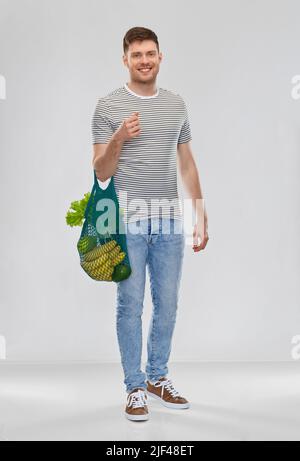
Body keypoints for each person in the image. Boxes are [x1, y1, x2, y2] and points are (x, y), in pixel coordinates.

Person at [92, 27, 209, 422]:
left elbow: (186, 162)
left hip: (170, 220)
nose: (145, 60)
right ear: (125, 59)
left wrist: (199, 211)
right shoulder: (108, 106)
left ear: (161, 57)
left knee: (169, 304)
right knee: (130, 304)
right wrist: (120, 138)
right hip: (127, 220)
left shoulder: (176, 104)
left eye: (151, 53)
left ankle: (158, 377)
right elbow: (101, 171)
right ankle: (135, 387)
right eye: (137, 54)